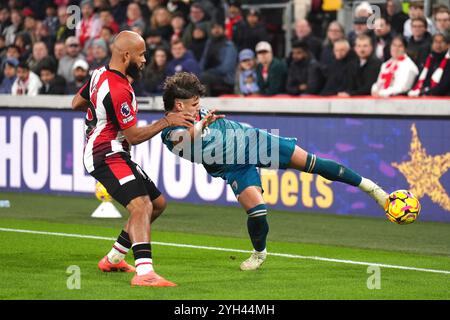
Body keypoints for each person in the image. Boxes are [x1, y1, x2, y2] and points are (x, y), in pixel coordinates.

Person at [160, 72, 390, 271]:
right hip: (233, 167)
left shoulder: (196, 114)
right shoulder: (170, 133)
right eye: (194, 103)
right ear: (179, 105)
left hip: (254, 141)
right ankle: (259, 253)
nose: (198, 106)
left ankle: (372, 189)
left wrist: (203, 122)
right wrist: (202, 125)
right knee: (258, 211)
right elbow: (186, 139)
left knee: (312, 163)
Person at [71, 31, 194, 287]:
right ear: (126, 55)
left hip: (113, 150)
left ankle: (114, 258)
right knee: (141, 206)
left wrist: (99, 115)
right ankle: (145, 273)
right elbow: (135, 136)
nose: (144, 60)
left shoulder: (98, 74)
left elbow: (76, 103)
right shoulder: (118, 90)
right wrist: (167, 121)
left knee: (157, 204)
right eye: (141, 54)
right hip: (105, 153)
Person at [199, 21, 237, 96]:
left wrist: (210, 71)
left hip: (225, 78)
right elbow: (202, 62)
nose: (216, 30)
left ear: (223, 29)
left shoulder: (229, 45)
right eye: (213, 28)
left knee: (205, 77)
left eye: (218, 27)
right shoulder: (209, 44)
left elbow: (226, 68)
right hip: (209, 74)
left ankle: (206, 104)